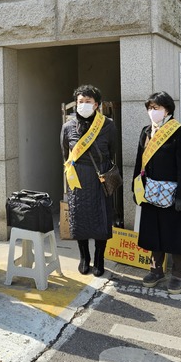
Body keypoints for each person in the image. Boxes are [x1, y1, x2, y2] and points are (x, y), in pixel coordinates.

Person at [133, 91, 181, 294]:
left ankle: (178, 274)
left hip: (172, 194)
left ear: (167, 109)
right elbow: (138, 163)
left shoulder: (180, 132)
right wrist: (137, 189)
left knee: (176, 234)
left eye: (156, 108)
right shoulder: (146, 131)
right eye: (150, 108)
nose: (152, 111)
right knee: (153, 232)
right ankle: (156, 269)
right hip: (150, 192)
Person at [61, 84, 117, 277]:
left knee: (102, 220)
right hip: (78, 180)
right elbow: (64, 154)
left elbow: (112, 151)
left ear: (97, 104)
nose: (84, 105)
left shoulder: (107, 124)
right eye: (80, 102)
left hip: (100, 177)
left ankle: (99, 258)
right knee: (80, 220)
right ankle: (84, 257)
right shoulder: (68, 126)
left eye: (88, 102)